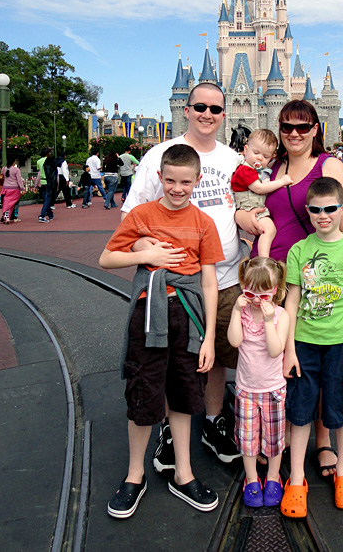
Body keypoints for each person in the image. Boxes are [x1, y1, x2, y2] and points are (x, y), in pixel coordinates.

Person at [122, 82, 261, 466]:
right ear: (186, 109)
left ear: (225, 112)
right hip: (176, 285)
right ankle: (169, 426)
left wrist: (249, 218)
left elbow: (242, 204)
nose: (207, 115)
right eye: (200, 106)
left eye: (216, 109)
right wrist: (149, 252)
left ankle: (214, 420)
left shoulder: (234, 160)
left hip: (226, 277)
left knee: (214, 354)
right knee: (170, 357)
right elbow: (131, 218)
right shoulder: (158, 157)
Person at [100, 144, 223, 519]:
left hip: (188, 316)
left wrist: (210, 338)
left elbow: (209, 283)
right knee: (142, 390)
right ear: (160, 178)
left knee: (185, 392)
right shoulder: (141, 215)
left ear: (197, 181)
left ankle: (183, 473)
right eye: (170, 180)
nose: (177, 188)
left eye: (185, 182)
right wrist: (145, 256)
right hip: (149, 312)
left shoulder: (203, 223)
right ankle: (134, 474)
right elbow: (107, 258)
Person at [251, 99, 343, 479]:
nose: (294, 134)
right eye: (286, 127)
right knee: (278, 360)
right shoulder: (273, 167)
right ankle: (279, 434)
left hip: (315, 279)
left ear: (316, 128)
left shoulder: (330, 168)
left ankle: (323, 439)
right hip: (270, 277)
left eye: (302, 126)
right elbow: (251, 203)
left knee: (321, 358)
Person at [281, 177, 343, 518]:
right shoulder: (299, 250)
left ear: (342, 208)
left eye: (330, 209)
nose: (324, 216)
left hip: (341, 344)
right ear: (308, 211)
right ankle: (295, 479)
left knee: (342, 409)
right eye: (316, 210)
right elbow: (291, 300)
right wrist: (288, 349)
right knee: (300, 409)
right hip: (305, 344)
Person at [227, 257, 290, 507]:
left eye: (264, 295)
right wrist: (234, 310)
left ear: (275, 290)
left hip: (273, 388)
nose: (256, 299)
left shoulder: (280, 315)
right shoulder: (242, 312)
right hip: (246, 389)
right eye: (250, 292)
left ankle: (273, 478)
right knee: (247, 437)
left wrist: (267, 321)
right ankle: (252, 479)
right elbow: (234, 341)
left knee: (274, 438)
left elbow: (276, 350)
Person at [231, 129, 293, 257]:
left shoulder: (257, 170)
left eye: (265, 156)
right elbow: (259, 188)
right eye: (256, 152)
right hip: (250, 207)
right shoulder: (245, 170)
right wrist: (282, 181)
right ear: (246, 150)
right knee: (269, 229)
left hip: (254, 207)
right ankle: (264, 258)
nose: (259, 157)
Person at [0, 157, 24, 225]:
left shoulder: (4, 169)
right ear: (13, 162)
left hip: (6, 189)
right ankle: (14, 217)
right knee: (14, 204)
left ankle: (7, 217)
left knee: (6, 203)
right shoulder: (16, 169)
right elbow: (19, 180)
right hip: (15, 189)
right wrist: (22, 189)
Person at [37, 147, 57, 223]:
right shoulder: (50, 161)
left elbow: (39, 171)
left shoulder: (38, 161)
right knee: (48, 199)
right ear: (48, 153)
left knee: (46, 198)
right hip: (48, 181)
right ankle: (42, 215)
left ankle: (50, 214)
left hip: (42, 181)